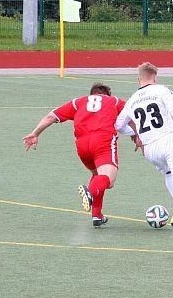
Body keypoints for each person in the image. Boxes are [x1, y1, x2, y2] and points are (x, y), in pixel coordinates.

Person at [23, 83, 132, 226]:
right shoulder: (114, 101)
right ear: (107, 94)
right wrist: (136, 135)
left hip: (82, 145)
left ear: (91, 94)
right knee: (108, 180)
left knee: (98, 176)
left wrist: (35, 133)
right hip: (102, 141)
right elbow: (133, 114)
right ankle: (90, 192)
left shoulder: (78, 102)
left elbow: (51, 116)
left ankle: (97, 216)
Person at [115, 62, 173, 237]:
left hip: (149, 149)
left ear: (138, 78)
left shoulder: (132, 100)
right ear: (154, 77)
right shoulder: (162, 90)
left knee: (168, 173)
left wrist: (137, 134)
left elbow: (118, 125)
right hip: (168, 140)